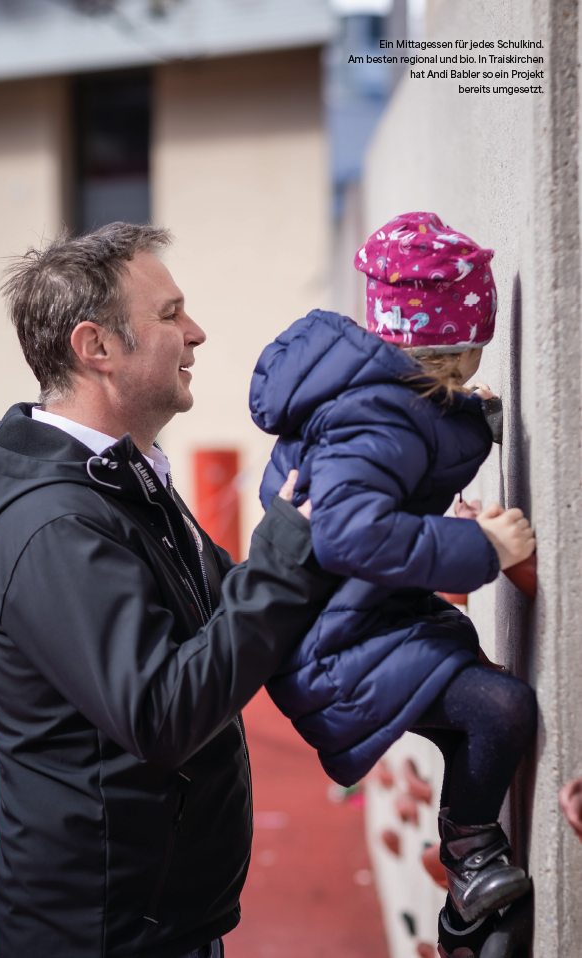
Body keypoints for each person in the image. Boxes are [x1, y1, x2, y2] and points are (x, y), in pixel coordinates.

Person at [0, 223, 337, 958]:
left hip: (160, 920)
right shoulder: (54, 526)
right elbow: (162, 712)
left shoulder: (124, 479)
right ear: (95, 347)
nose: (195, 333)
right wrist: (288, 548)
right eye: (169, 315)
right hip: (101, 938)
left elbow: (234, 605)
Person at [249, 212, 538, 958]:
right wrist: (480, 544)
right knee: (498, 707)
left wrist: (475, 418)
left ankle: (463, 904)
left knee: (481, 708)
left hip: (358, 621)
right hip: (330, 643)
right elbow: (348, 532)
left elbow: (398, 468)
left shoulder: (384, 397)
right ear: (452, 344)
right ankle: (470, 859)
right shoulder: (374, 416)